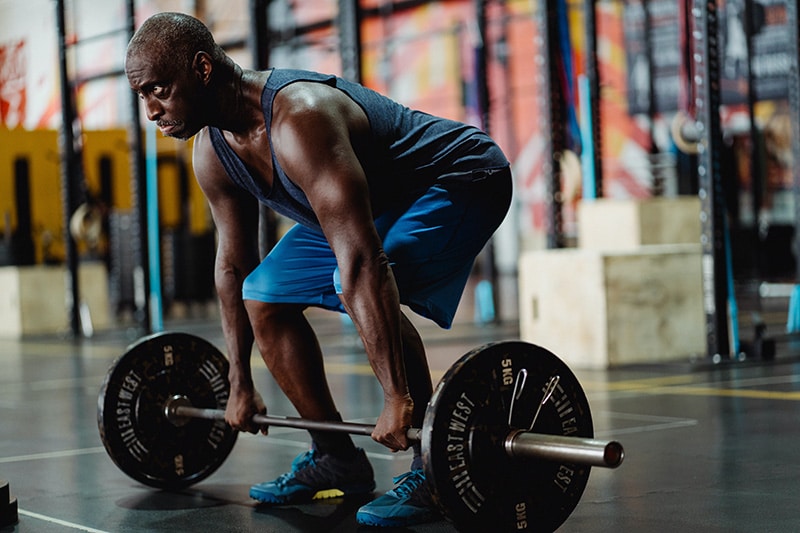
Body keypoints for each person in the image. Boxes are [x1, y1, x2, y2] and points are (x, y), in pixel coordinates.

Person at [125, 12, 512, 528]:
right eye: (143, 95)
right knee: (263, 294)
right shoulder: (213, 152)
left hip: (459, 178)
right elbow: (234, 266)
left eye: (159, 90)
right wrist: (237, 381)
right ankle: (336, 456)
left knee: (356, 278)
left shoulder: (299, 119)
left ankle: (433, 468)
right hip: (377, 201)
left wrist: (397, 397)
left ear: (201, 68)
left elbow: (363, 264)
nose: (151, 110)